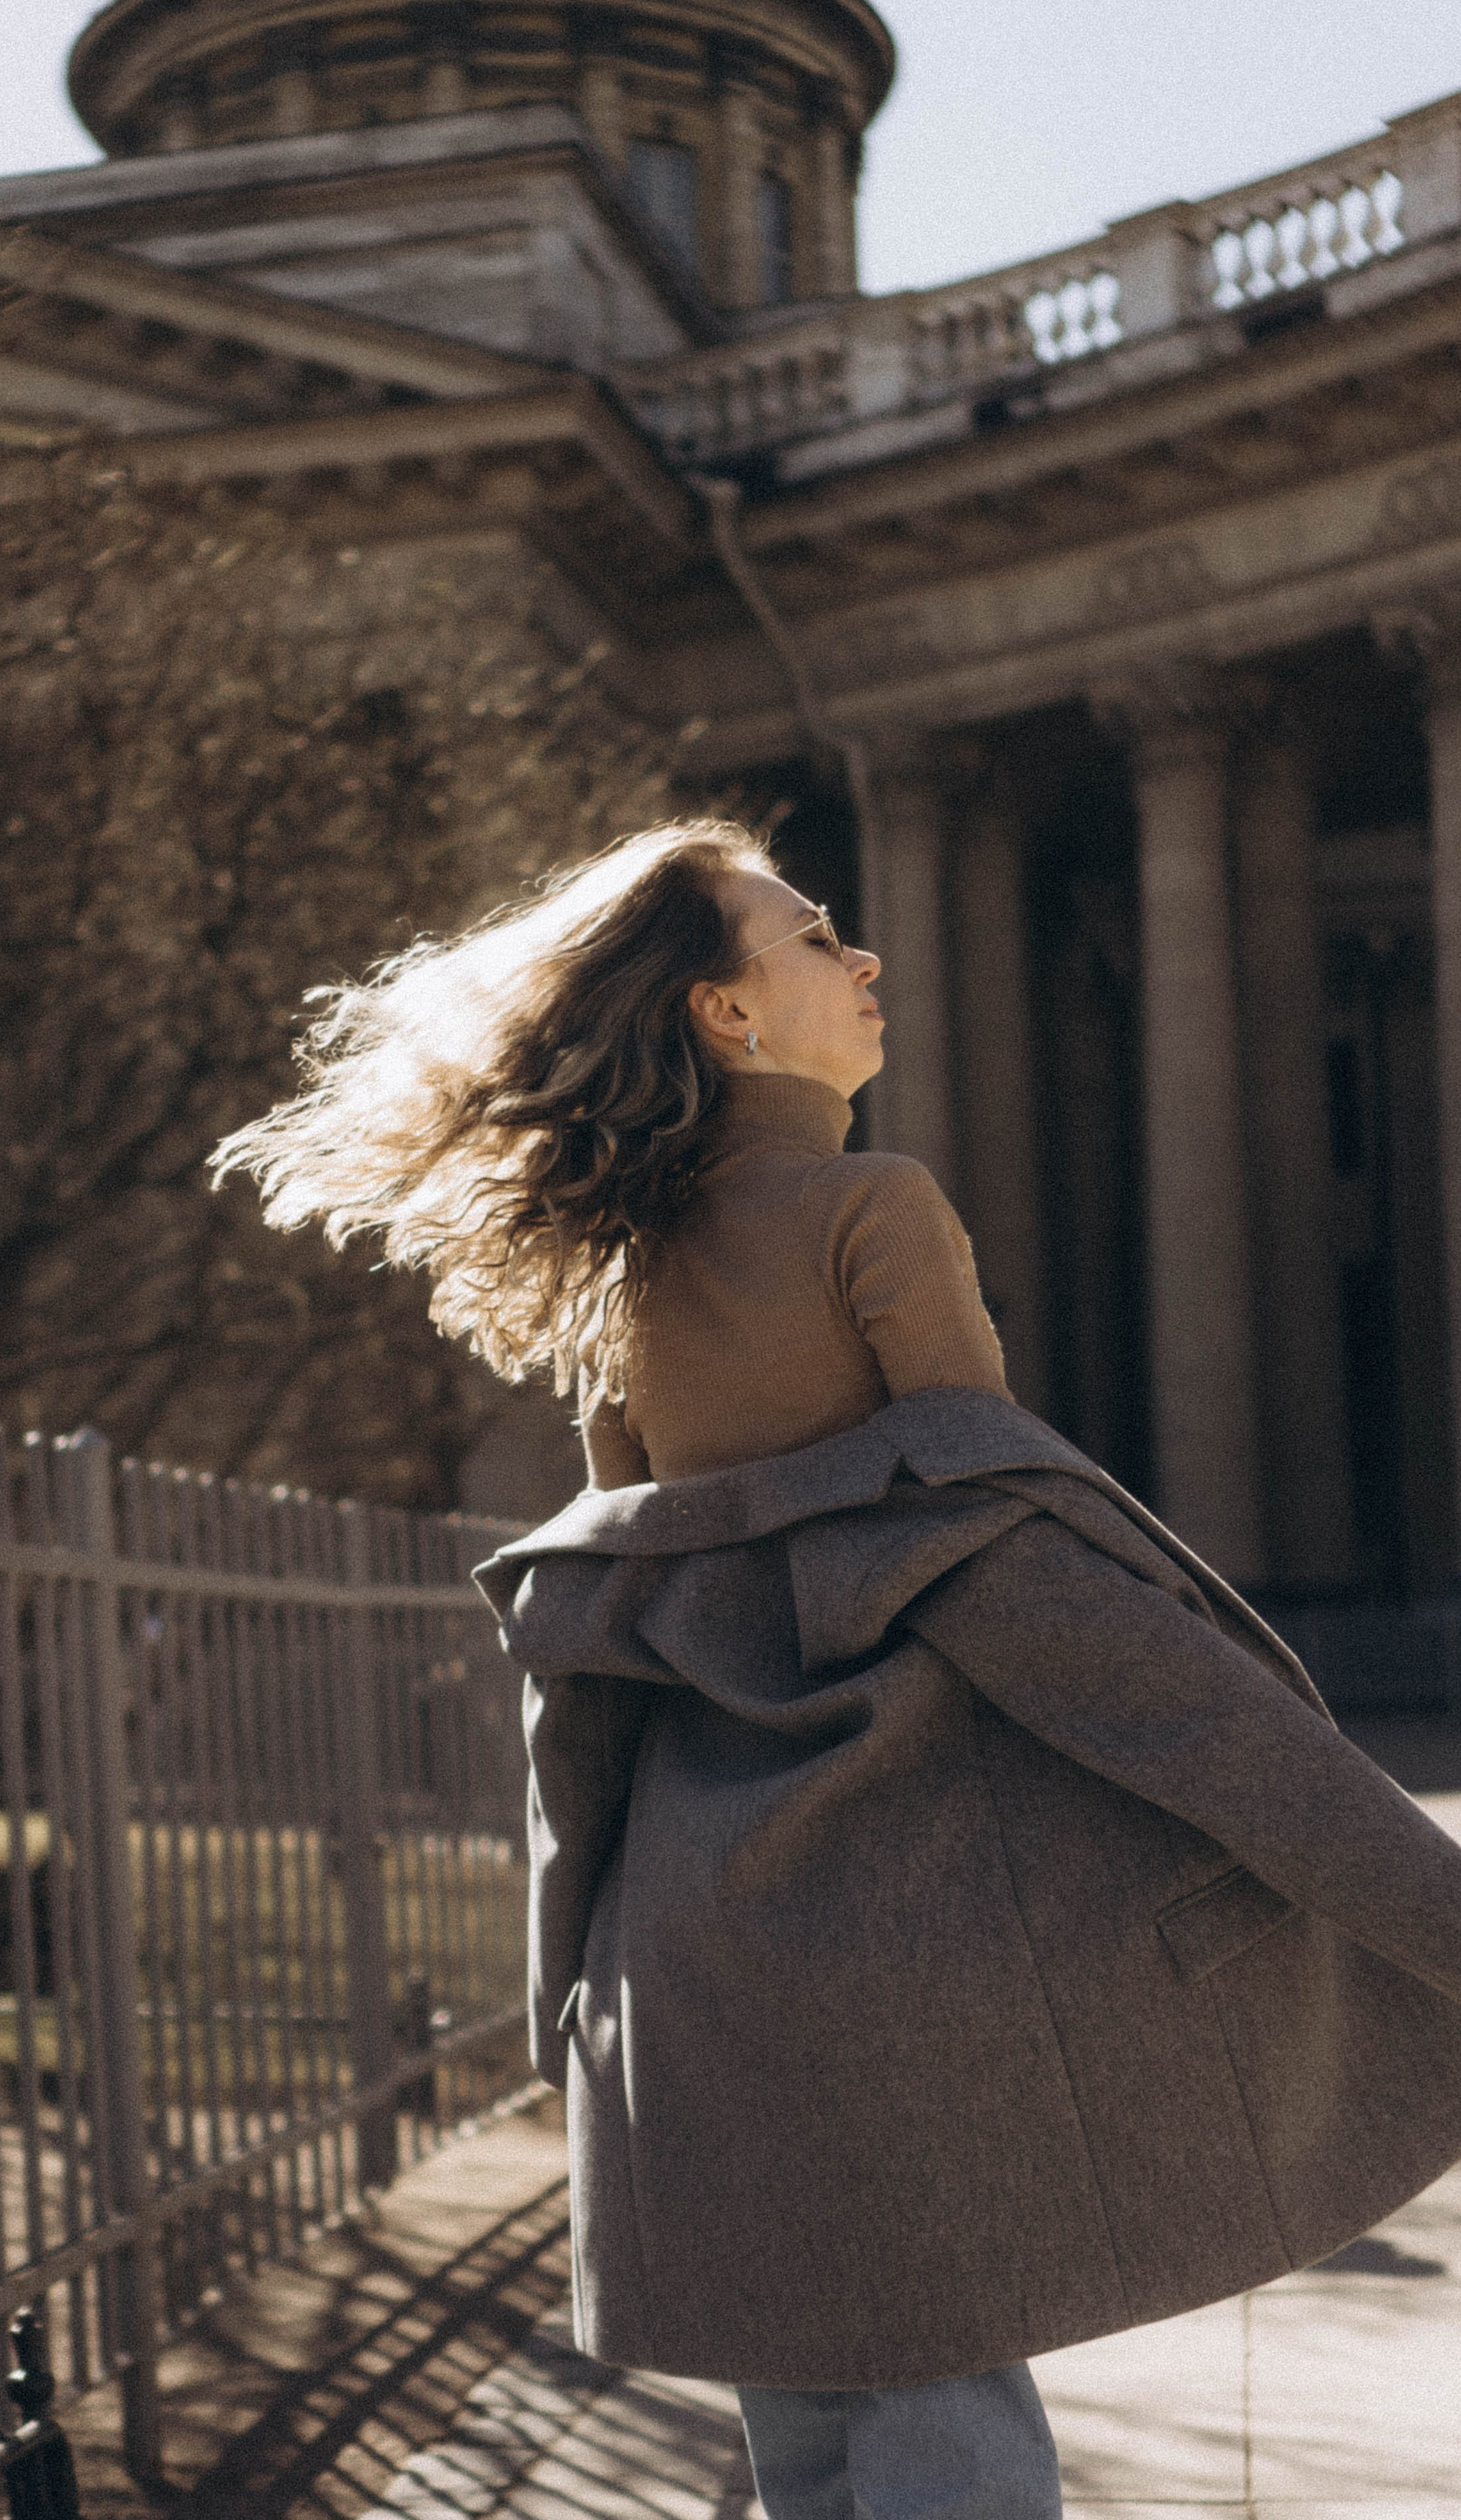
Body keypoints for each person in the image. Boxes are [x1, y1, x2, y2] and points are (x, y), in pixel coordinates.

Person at [216, 817, 1461, 2520]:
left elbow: (591, 1654)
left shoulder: (621, 1275)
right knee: (947, 2446)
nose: (861, 958)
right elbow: (1065, 1616)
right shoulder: (872, 1208)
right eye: (809, 936)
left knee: (813, 2457)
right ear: (726, 1016)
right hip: (896, 1970)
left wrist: (568, 2000)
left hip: (695, 1973)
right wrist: (1417, 1896)